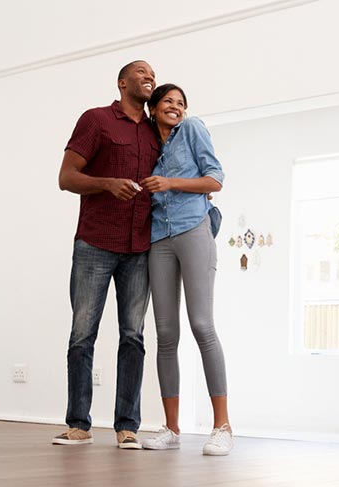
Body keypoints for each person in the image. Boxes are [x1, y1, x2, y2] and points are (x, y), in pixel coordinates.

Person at [52, 61, 160, 449]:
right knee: (83, 335)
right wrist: (106, 184)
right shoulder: (95, 120)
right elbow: (66, 178)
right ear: (122, 82)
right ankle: (78, 425)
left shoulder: (157, 131)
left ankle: (127, 427)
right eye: (142, 72)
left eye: (154, 73)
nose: (150, 76)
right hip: (95, 244)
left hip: (140, 248)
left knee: (134, 336)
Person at [139, 83, 233, 456]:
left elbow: (215, 180)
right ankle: (172, 427)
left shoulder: (191, 128)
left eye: (180, 103)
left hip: (193, 228)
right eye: (168, 102)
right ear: (154, 108)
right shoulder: (147, 145)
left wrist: (170, 183)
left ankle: (222, 426)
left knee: (202, 325)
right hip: (158, 237)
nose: (175, 107)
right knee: (165, 332)